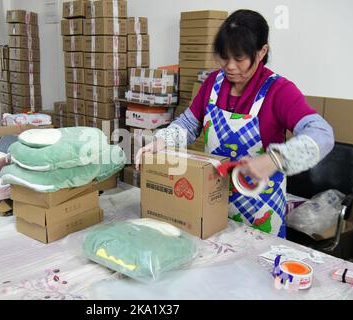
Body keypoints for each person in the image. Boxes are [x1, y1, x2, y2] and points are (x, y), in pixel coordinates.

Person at [135, 9, 334, 238]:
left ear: (262, 52)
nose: (229, 66)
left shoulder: (279, 91)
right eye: (224, 56)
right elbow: (189, 124)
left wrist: (274, 160)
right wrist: (162, 142)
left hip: (261, 211)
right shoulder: (213, 83)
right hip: (213, 202)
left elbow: (323, 134)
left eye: (239, 58)